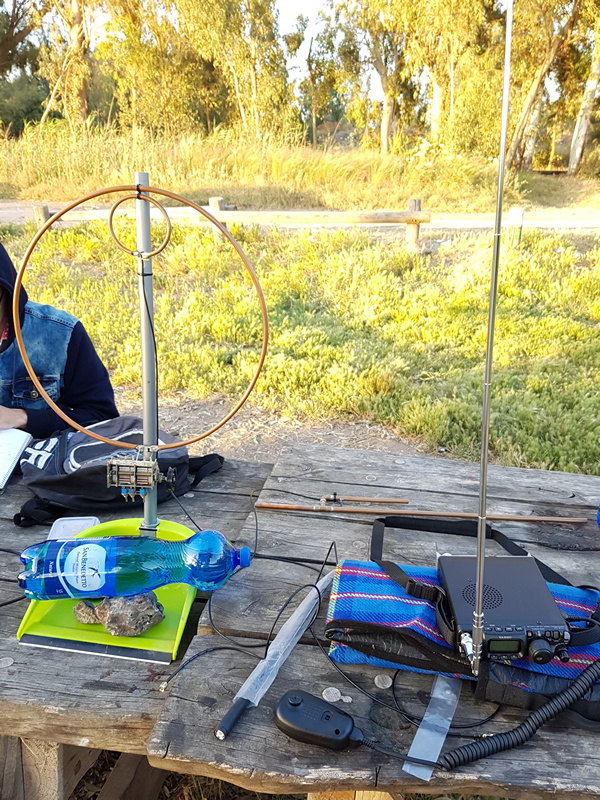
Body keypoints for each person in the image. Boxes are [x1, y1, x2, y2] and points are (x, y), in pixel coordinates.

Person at [0, 242, 119, 439]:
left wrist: (22, 417)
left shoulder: (60, 333)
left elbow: (102, 420)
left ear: (9, 292)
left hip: (41, 465)